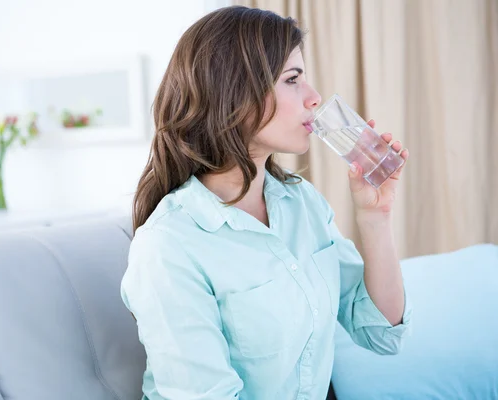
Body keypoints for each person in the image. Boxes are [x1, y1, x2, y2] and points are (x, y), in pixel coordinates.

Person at [121, 5, 412, 400]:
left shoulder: (301, 202)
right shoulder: (169, 245)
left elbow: (381, 334)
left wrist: (375, 217)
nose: (315, 98)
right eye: (293, 79)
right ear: (233, 93)